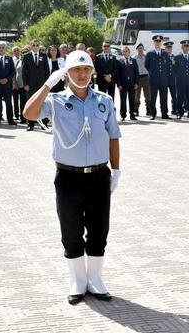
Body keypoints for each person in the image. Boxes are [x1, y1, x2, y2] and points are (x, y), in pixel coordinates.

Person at [22, 50, 121, 306]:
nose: (82, 74)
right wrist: (47, 84)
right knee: (71, 229)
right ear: (66, 73)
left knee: (99, 230)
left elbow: (113, 136)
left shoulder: (104, 100)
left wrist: (116, 170)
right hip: (68, 176)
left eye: (86, 69)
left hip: (98, 175)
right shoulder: (55, 100)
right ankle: (78, 281)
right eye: (76, 69)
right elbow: (29, 113)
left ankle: (95, 279)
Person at [22, 39, 49, 131]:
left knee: (43, 103)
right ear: (31, 46)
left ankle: (44, 124)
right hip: (30, 84)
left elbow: (47, 71)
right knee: (31, 103)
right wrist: (25, 84)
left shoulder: (44, 56)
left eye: (37, 45)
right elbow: (23, 72)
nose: (35, 47)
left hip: (42, 84)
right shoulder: (26, 56)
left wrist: (47, 84)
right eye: (33, 45)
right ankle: (30, 124)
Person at [144, 35, 171, 120]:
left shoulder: (165, 53)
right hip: (153, 79)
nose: (158, 43)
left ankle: (164, 114)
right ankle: (153, 114)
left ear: (161, 43)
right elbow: (146, 65)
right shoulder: (150, 53)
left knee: (164, 97)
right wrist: (153, 72)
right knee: (153, 97)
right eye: (156, 41)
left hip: (163, 79)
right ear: (153, 42)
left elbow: (168, 65)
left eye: (159, 42)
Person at [0, 41, 16, 126]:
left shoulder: (9, 58)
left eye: (3, 47)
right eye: (0, 47)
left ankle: (10, 120)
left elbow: (13, 71)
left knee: (9, 103)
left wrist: (7, 79)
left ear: (5, 49)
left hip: (7, 85)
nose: (1, 49)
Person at [173, 40, 189, 119]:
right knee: (180, 97)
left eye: (188, 46)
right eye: (185, 46)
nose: (186, 48)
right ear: (182, 47)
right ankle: (179, 112)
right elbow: (174, 69)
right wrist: (178, 77)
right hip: (180, 81)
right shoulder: (177, 57)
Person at [116, 46, 139, 121]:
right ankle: (123, 115)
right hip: (123, 84)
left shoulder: (134, 60)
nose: (125, 53)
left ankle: (132, 114)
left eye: (126, 51)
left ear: (129, 52)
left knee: (132, 100)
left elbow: (136, 72)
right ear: (122, 53)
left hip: (132, 83)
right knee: (123, 100)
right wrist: (119, 84)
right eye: (124, 51)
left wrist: (136, 83)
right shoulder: (120, 61)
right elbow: (118, 74)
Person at [133, 43, 150, 116]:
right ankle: (136, 110)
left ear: (143, 49)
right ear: (137, 49)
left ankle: (148, 109)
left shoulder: (147, 57)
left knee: (148, 94)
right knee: (137, 95)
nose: (140, 49)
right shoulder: (134, 58)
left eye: (141, 48)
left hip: (146, 77)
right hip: (138, 78)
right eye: (139, 48)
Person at [12, 46, 27, 122]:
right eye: (23, 52)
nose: (24, 54)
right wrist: (15, 83)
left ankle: (26, 116)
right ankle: (21, 116)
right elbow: (14, 73)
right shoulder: (18, 61)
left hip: (26, 84)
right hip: (19, 84)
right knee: (21, 101)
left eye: (26, 52)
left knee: (25, 101)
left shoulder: (28, 61)